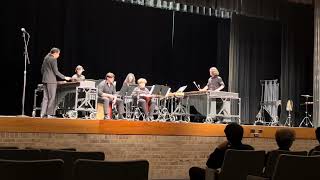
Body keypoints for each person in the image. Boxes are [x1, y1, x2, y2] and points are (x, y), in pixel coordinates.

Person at [189, 123, 254, 180]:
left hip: (225, 178)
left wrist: (219, 148)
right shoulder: (250, 149)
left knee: (193, 170)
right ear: (241, 136)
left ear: (228, 137)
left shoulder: (225, 151)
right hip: (245, 178)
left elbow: (210, 165)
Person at [41, 47, 71, 118]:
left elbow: (42, 70)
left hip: (45, 80)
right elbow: (56, 72)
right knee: (52, 97)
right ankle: (49, 114)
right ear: (55, 53)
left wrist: (46, 76)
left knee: (45, 98)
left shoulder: (46, 58)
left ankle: (42, 113)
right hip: (51, 81)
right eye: (58, 54)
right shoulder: (53, 59)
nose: (59, 55)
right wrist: (64, 77)